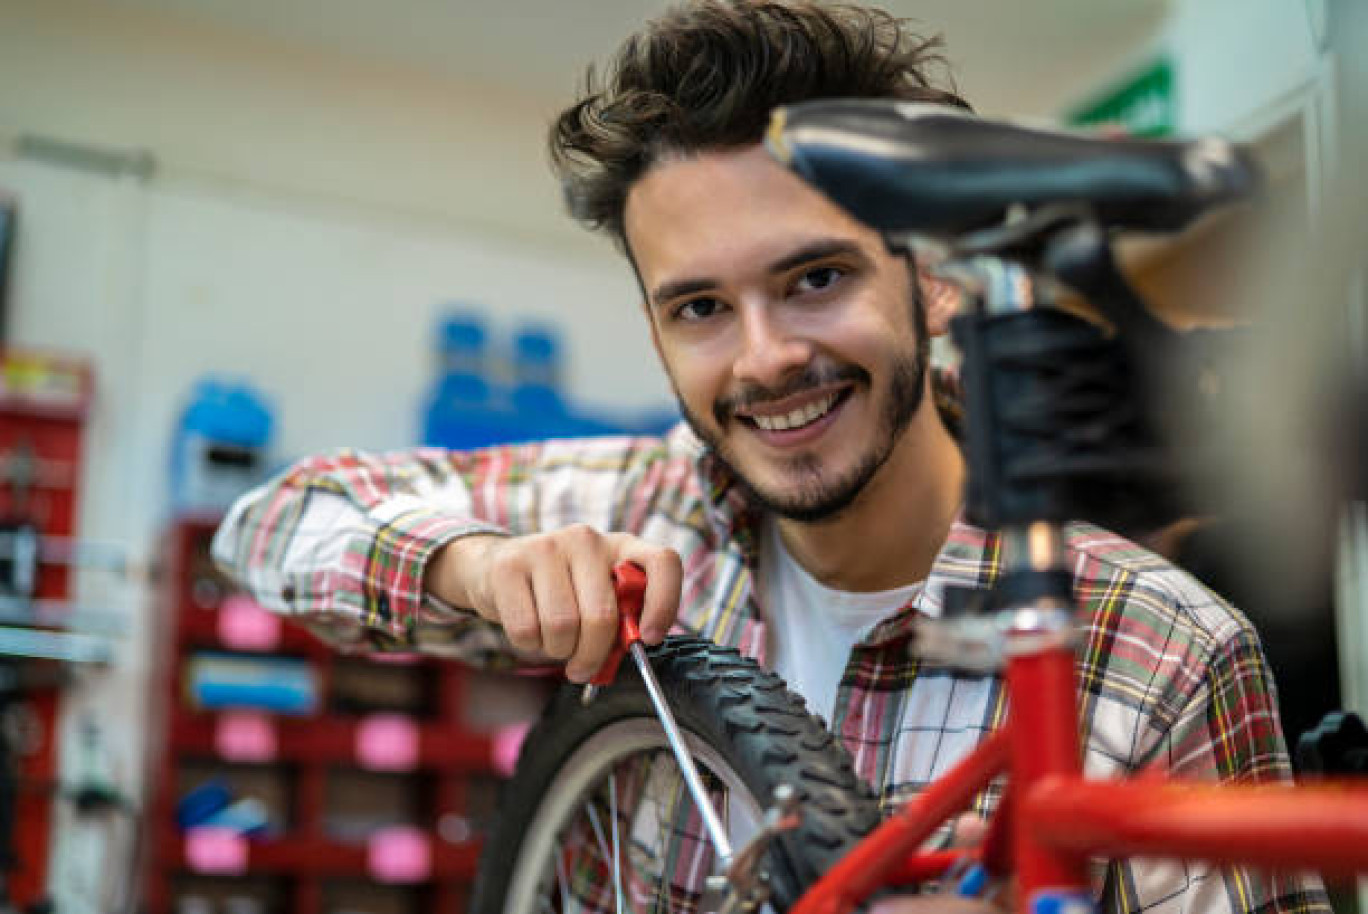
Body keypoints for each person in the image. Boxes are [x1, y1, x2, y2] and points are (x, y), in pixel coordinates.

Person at [211, 3, 1328, 912]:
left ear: (931, 280)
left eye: (816, 278)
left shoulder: (1163, 651)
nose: (766, 359)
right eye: (699, 305)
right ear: (653, 328)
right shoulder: (648, 501)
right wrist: (478, 568)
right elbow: (270, 523)